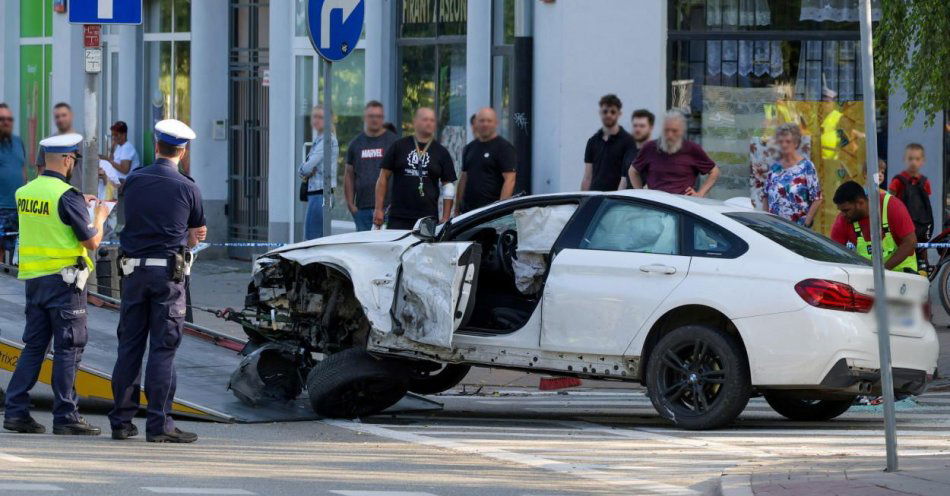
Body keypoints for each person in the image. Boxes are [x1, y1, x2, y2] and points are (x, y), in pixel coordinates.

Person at [3, 133, 109, 435]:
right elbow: (91, 240)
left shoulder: (25, 192)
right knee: (69, 348)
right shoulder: (67, 195)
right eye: (73, 159)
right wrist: (98, 215)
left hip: (35, 281)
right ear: (66, 160)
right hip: (65, 284)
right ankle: (66, 415)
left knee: (34, 347)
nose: (73, 163)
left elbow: (52, 219)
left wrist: (79, 204)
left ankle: (16, 411)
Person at [109, 119, 207, 443]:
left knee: (129, 347)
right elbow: (194, 236)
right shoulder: (188, 187)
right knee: (163, 349)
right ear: (183, 150)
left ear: (155, 145)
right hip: (167, 276)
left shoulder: (134, 180)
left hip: (133, 273)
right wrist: (191, 239)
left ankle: (121, 422)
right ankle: (159, 424)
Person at [375, 107, 457, 230]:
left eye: (432, 120)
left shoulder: (441, 152)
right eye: (425, 119)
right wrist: (378, 208)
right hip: (399, 216)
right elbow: (383, 177)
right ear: (415, 122)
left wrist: (445, 217)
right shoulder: (399, 146)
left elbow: (449, 186)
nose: (429, 123)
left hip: (427, 218)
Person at [830, 181, 917, 273]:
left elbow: (910, 242)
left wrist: (881, 272)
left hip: (904, 274)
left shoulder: (890, 205)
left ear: (861, 202)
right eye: (841, 211)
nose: (843, 215)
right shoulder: (844, 219)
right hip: (869, 276)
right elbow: (833, 252)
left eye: (846, 210)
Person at [630, 110, 720, 196]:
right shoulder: (650, 147)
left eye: (674, 131)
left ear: (682, 131)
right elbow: (633, 172)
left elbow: (714, 171)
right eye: (666, 130)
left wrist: (700, 193)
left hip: (681, 206)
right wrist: (641, 193)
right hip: (656, 205)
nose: (669, 135)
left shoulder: (692, 149)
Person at [344, 101, 398, 231]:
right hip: (362, 210)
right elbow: (349, 175)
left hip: (389, 209)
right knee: (364, 250)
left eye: (378, 116)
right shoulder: (355, 144)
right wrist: (351, 205)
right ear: (365, 117)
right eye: (371, 116)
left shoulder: (394, 142)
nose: (375, 119)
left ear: (383, 118)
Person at [456, 108, 517, 214]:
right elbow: (464, 178)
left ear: (496, 123)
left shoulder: (504, 148)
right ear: (476, 123)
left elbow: (510, 180)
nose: (485, 124)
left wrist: (500, 211)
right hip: (467, 213)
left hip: (490, 214)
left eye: (489, 121)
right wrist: (457, 209)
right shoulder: (469, 148)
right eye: (482, 121)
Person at [763, 123, 822, 228]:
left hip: (798, 232)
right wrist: (766, 224)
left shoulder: (806, 166)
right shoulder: (773, 168)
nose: (784, 145)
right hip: (775, 230)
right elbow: (766, 197)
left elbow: (817, 198)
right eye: (781, 141)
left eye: (788, 141)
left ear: (796, 143)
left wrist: (806, 224)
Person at [298, 105, 338, 240]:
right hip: (318, 194)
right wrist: (306, 169)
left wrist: (302, 169)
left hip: (320, 194)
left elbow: (307, 168)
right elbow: (308, 168)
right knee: (316, 238)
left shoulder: (326, 140)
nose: (316, 120)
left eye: (320, 117)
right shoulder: (320, 139)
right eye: (314, 116)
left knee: (312, 239)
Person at [581, 94, 635, 191]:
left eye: (613, 112)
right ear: (600, 113)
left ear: (619, 114)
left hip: (614, 198)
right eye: (605, 111)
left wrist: (618, 199)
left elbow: (626, 177)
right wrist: (581, 201)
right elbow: (587, 176)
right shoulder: (592, 141)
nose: (608, 115)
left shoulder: (628, 141)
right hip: (594, 197)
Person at [888, 143, 933, 246]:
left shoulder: (925, 182)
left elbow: (926, 205)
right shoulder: (898, 181)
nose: (913, 162)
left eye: (917, 159)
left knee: (921, 253)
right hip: (901, 225)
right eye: (910, 158)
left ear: (923, 161)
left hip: (921, 226)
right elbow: (889, 201)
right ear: (905, 159)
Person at [0, 103, 27, 262]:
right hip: (1, 207)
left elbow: (22, 169)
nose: (6, 122)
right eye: (2, 119)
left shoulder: (18, 142)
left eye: (9, 119)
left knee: (16, 254)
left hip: (18, 208)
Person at [35, 103, 77, 179]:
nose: (60, 119)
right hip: (54, 190)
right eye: (57, 117)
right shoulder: (47, 143)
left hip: (78, 190)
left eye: (64, 115)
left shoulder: (84, 143)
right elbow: (41, 172)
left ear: (71, 116)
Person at [623, 109, 655, 188]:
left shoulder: (658, 152)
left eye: (642, 126)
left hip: (647, 198)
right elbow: (623, 180)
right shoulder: (629, 151)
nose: (637, 129)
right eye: (635, 126)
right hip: (627, 198)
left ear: (651, 128)